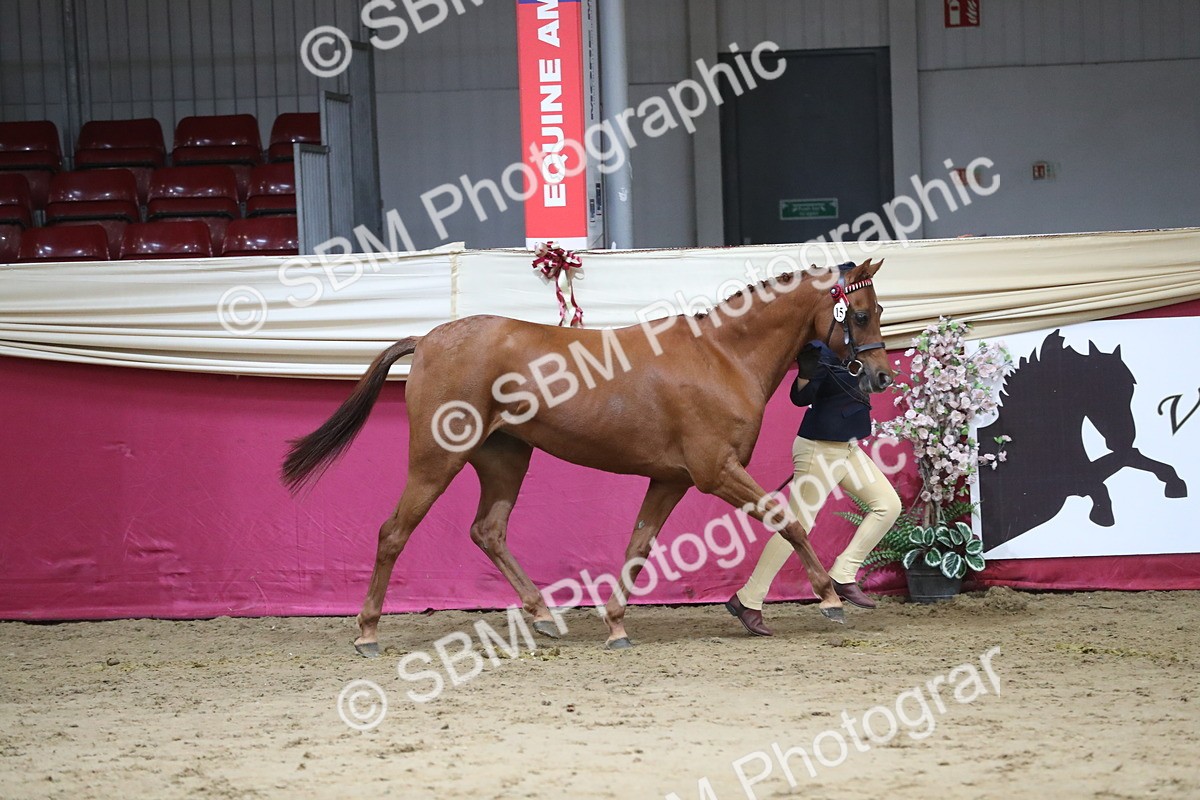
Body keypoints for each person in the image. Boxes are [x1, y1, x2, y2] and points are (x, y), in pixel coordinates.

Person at [725, 339, 902, 636]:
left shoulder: (861, 348)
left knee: (888, 505)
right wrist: (806, 372)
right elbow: (800, 395)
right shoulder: (821, 350)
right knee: (796, 526)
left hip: (848, 449)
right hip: (819, 449)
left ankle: (843, 573)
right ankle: (749, 599)